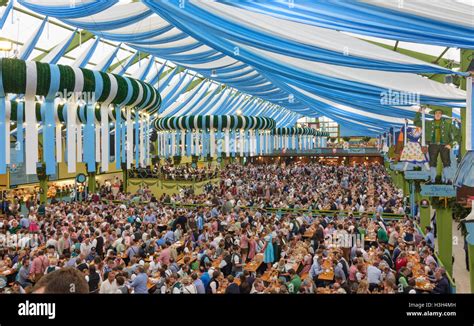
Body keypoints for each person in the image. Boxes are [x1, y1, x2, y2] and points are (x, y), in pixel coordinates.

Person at [414, 107, 459, 184]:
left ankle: (448, 179)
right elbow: (416, 122)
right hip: (432, 145)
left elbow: (458, 135)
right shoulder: (428, 123)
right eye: (436, 113)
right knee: (432, 162)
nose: (437, 115)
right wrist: (419, 112)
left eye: (439, 113)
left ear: (441, 115)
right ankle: (432, 179)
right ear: (434, 115)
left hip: (444, 145)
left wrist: (451, 145)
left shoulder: (448, 125)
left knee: (446, 162)